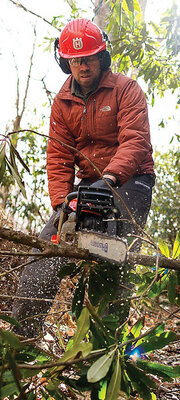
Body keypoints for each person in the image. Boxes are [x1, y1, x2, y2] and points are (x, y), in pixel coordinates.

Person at [11, 18, 155, 338]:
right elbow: (59, 156)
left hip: (131, 179)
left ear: (101, 57)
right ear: (65, 62)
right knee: (42, 260)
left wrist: (112, 178)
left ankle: (105, 348)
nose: (82, 65)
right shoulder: (62, 102)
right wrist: (64, 204)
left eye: (88, 57)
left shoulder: (125, 89)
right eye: (75, 60)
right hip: (88, 182)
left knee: (112, 264)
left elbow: (135, 140)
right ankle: (21, 342)